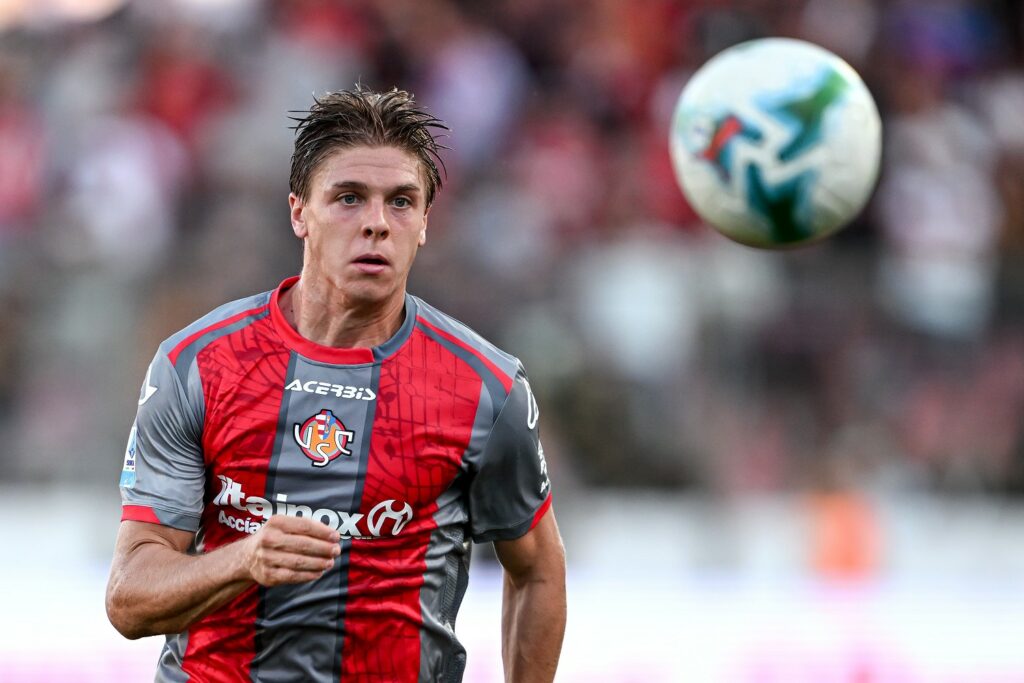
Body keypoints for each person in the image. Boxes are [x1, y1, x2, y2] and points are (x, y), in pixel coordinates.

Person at [105, 86, 566, 683]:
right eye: (349, 198)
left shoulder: (486, 388)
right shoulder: (199, 364)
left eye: (401, 202)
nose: (377, 224)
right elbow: (129, 599)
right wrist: (242, 561)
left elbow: (537, 570)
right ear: (299, 212)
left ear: (425, 223)